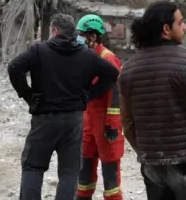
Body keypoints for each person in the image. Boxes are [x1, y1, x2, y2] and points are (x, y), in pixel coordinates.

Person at [118, 1, 186, 200]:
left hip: (152, 166)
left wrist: (147, 152)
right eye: (180, 22)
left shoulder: (128, 69)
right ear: (166, 29)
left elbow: (128, 123)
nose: (185, 27)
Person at [8, 13, 120, 200]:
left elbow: (14, 67)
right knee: (69, 172)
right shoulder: (86, 54)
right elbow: (112, 74)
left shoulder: (39, 50)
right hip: (73, 120)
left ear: (55, 31)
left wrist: (28, 96)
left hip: (44, 119)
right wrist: (89, 94)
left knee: (33, 167)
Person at [75, 14, 124, 200]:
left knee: (110, 168)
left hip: (104, 122)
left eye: (82, 35)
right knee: (84, 166)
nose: (78, 38)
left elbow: (116, 92)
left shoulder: (108, 58)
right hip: (87, 120)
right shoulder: (84, 57)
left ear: (93, 36)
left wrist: (112, 122)